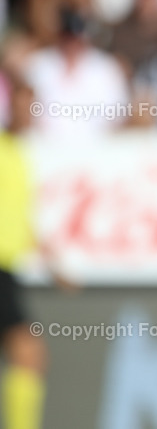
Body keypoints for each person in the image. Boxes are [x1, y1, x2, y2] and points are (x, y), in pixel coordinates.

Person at [0, 75, 47, 429]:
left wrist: (52, 259)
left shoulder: (20, 153)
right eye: (22, 104)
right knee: (28, 354)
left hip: (10, 270)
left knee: (27, 356)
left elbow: (20, 218)